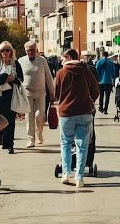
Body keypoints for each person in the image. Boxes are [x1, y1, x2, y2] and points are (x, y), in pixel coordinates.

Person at [53, 48, 98, 187]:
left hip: (66, 113)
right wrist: (89, 101)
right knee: (82, 146)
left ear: (68, 57)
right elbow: (95, 91)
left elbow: (56, 93)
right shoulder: (86, 71)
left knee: (66, 143)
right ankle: (79, 177)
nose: (61, 62)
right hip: (85, 113)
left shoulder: (61, 73)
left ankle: (66, 173)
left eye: (62, 59)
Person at [18, 40, 54, 147]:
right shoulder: (21, 61)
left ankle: (40, 133)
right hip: (27, 93)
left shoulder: (42, 61)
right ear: (25, 51)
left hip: (41, 93)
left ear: (36, 50)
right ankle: (31, 139)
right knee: (29, 116)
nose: (30, 52)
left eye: (32, 50)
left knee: (39, 115)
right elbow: (18, 78)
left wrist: (52, 92)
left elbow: (48, 77)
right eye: (28, 50)